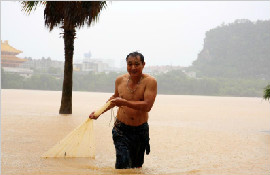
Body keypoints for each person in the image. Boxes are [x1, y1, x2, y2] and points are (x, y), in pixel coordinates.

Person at [89, 51, 157, 169]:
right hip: (121, 129)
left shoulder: (150, 82)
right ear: (126, 65)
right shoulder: (120, 80)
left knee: (136, 167)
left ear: (143, 64)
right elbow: (114, 99)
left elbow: (147, 106)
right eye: (130, 64)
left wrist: (125, 103)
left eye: (137, 64)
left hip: (140, 130)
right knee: (122, 164)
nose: (133, 67)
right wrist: (98, 112)